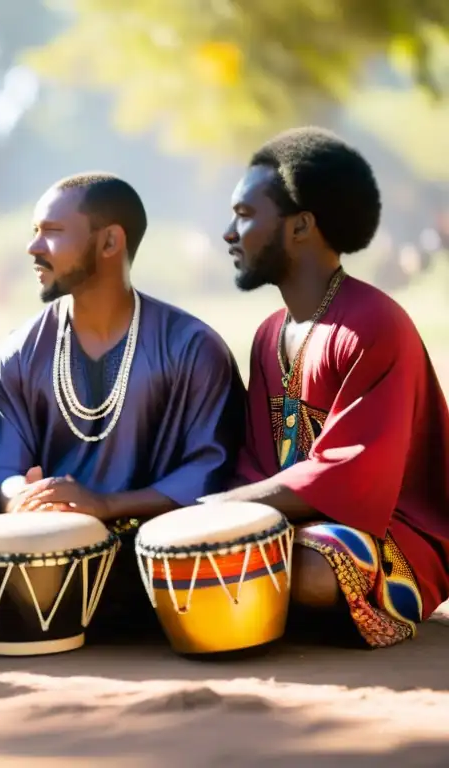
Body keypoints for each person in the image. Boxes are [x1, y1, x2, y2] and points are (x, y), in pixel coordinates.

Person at [207, 126, 449, 648]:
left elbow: (354, 476)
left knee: (314, 569)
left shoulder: (374, 323)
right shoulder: (268, 334)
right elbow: (256, 460)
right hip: (291, 521)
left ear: (300, 227)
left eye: (245, 216)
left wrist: (226, 510)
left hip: (391, 532)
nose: (229, 232)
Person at [0, 172, 245, 632]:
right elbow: (0, 467)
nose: (33, 247)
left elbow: (210, 470)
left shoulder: (192, 348)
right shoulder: (20, 354)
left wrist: (106, 505)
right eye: (34, 231)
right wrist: (22, 497)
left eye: (52, 232)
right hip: (53, 562)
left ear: (109, 243)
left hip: (166, 564)